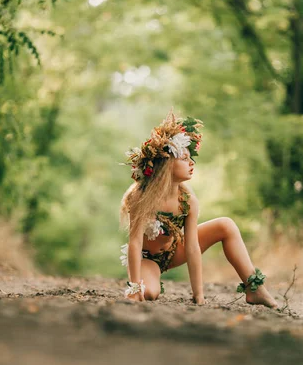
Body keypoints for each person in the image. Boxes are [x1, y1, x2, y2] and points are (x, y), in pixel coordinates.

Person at [119, 110, 278, 308]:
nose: (191, 163)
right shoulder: (141, 196)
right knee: (149, 292)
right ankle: (141, 284)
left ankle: (255, 289)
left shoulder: (187, 200)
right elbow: (134, 243)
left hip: (175, 250)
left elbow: (192, 247)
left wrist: (198, 294)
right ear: (167, 164)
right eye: (184, 159)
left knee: (226, 225)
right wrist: (135, 288)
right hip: (147, 259)